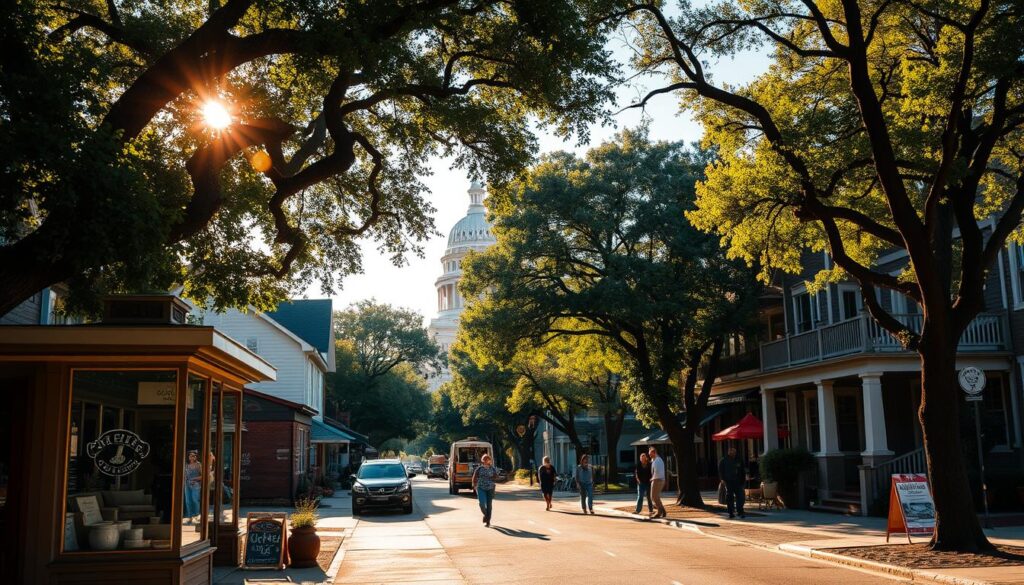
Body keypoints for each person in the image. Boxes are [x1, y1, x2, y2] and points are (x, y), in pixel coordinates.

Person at [471, 453, 499, 527]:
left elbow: (496, 476)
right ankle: (486, 515)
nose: (487, 461)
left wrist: (494, 477)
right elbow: (474, 477)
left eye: (488, 460)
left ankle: (488, 521)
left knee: (489, 505)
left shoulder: (492, 468)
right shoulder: (479, 468)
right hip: (481, 488)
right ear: (483, 461)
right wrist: (474, 484)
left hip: (490, 488)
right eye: (486, 459)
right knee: (482, 504)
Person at [719, 446, 745, 518]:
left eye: (734, 452)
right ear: (728, 452)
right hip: (728, 481)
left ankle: (740, 511)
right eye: (731, 451)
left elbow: (742, 471)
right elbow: (721, 471)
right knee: (729, 497)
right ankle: (731, 512)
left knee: (740, 497)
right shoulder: (724, 460)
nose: (733, 453)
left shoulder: (739, 460)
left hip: (738, 482)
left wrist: (743, 480)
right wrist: (722, 479)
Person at [648, 447, 667, 518]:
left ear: (654, 452)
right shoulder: (655, 460)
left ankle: (659, 512)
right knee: (655, 497)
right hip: (657, 479)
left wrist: (652, 478)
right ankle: (662, 510)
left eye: (650, 454)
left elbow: (657, 472)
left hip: (658, 480)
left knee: (654, 497)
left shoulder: (658, 460)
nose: (649, 456)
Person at [183, 451, 201, 523]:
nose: (192, 457)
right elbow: (185, 475)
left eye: (194, 456)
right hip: (187, 484)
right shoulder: (186, 465)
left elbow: (202, 476)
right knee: (187, 501)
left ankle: (196, 515)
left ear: (196, 457)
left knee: (195, 500)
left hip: (195, 484)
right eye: (190, 456)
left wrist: (194, 479)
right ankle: (190, 516)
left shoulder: (198, 464)